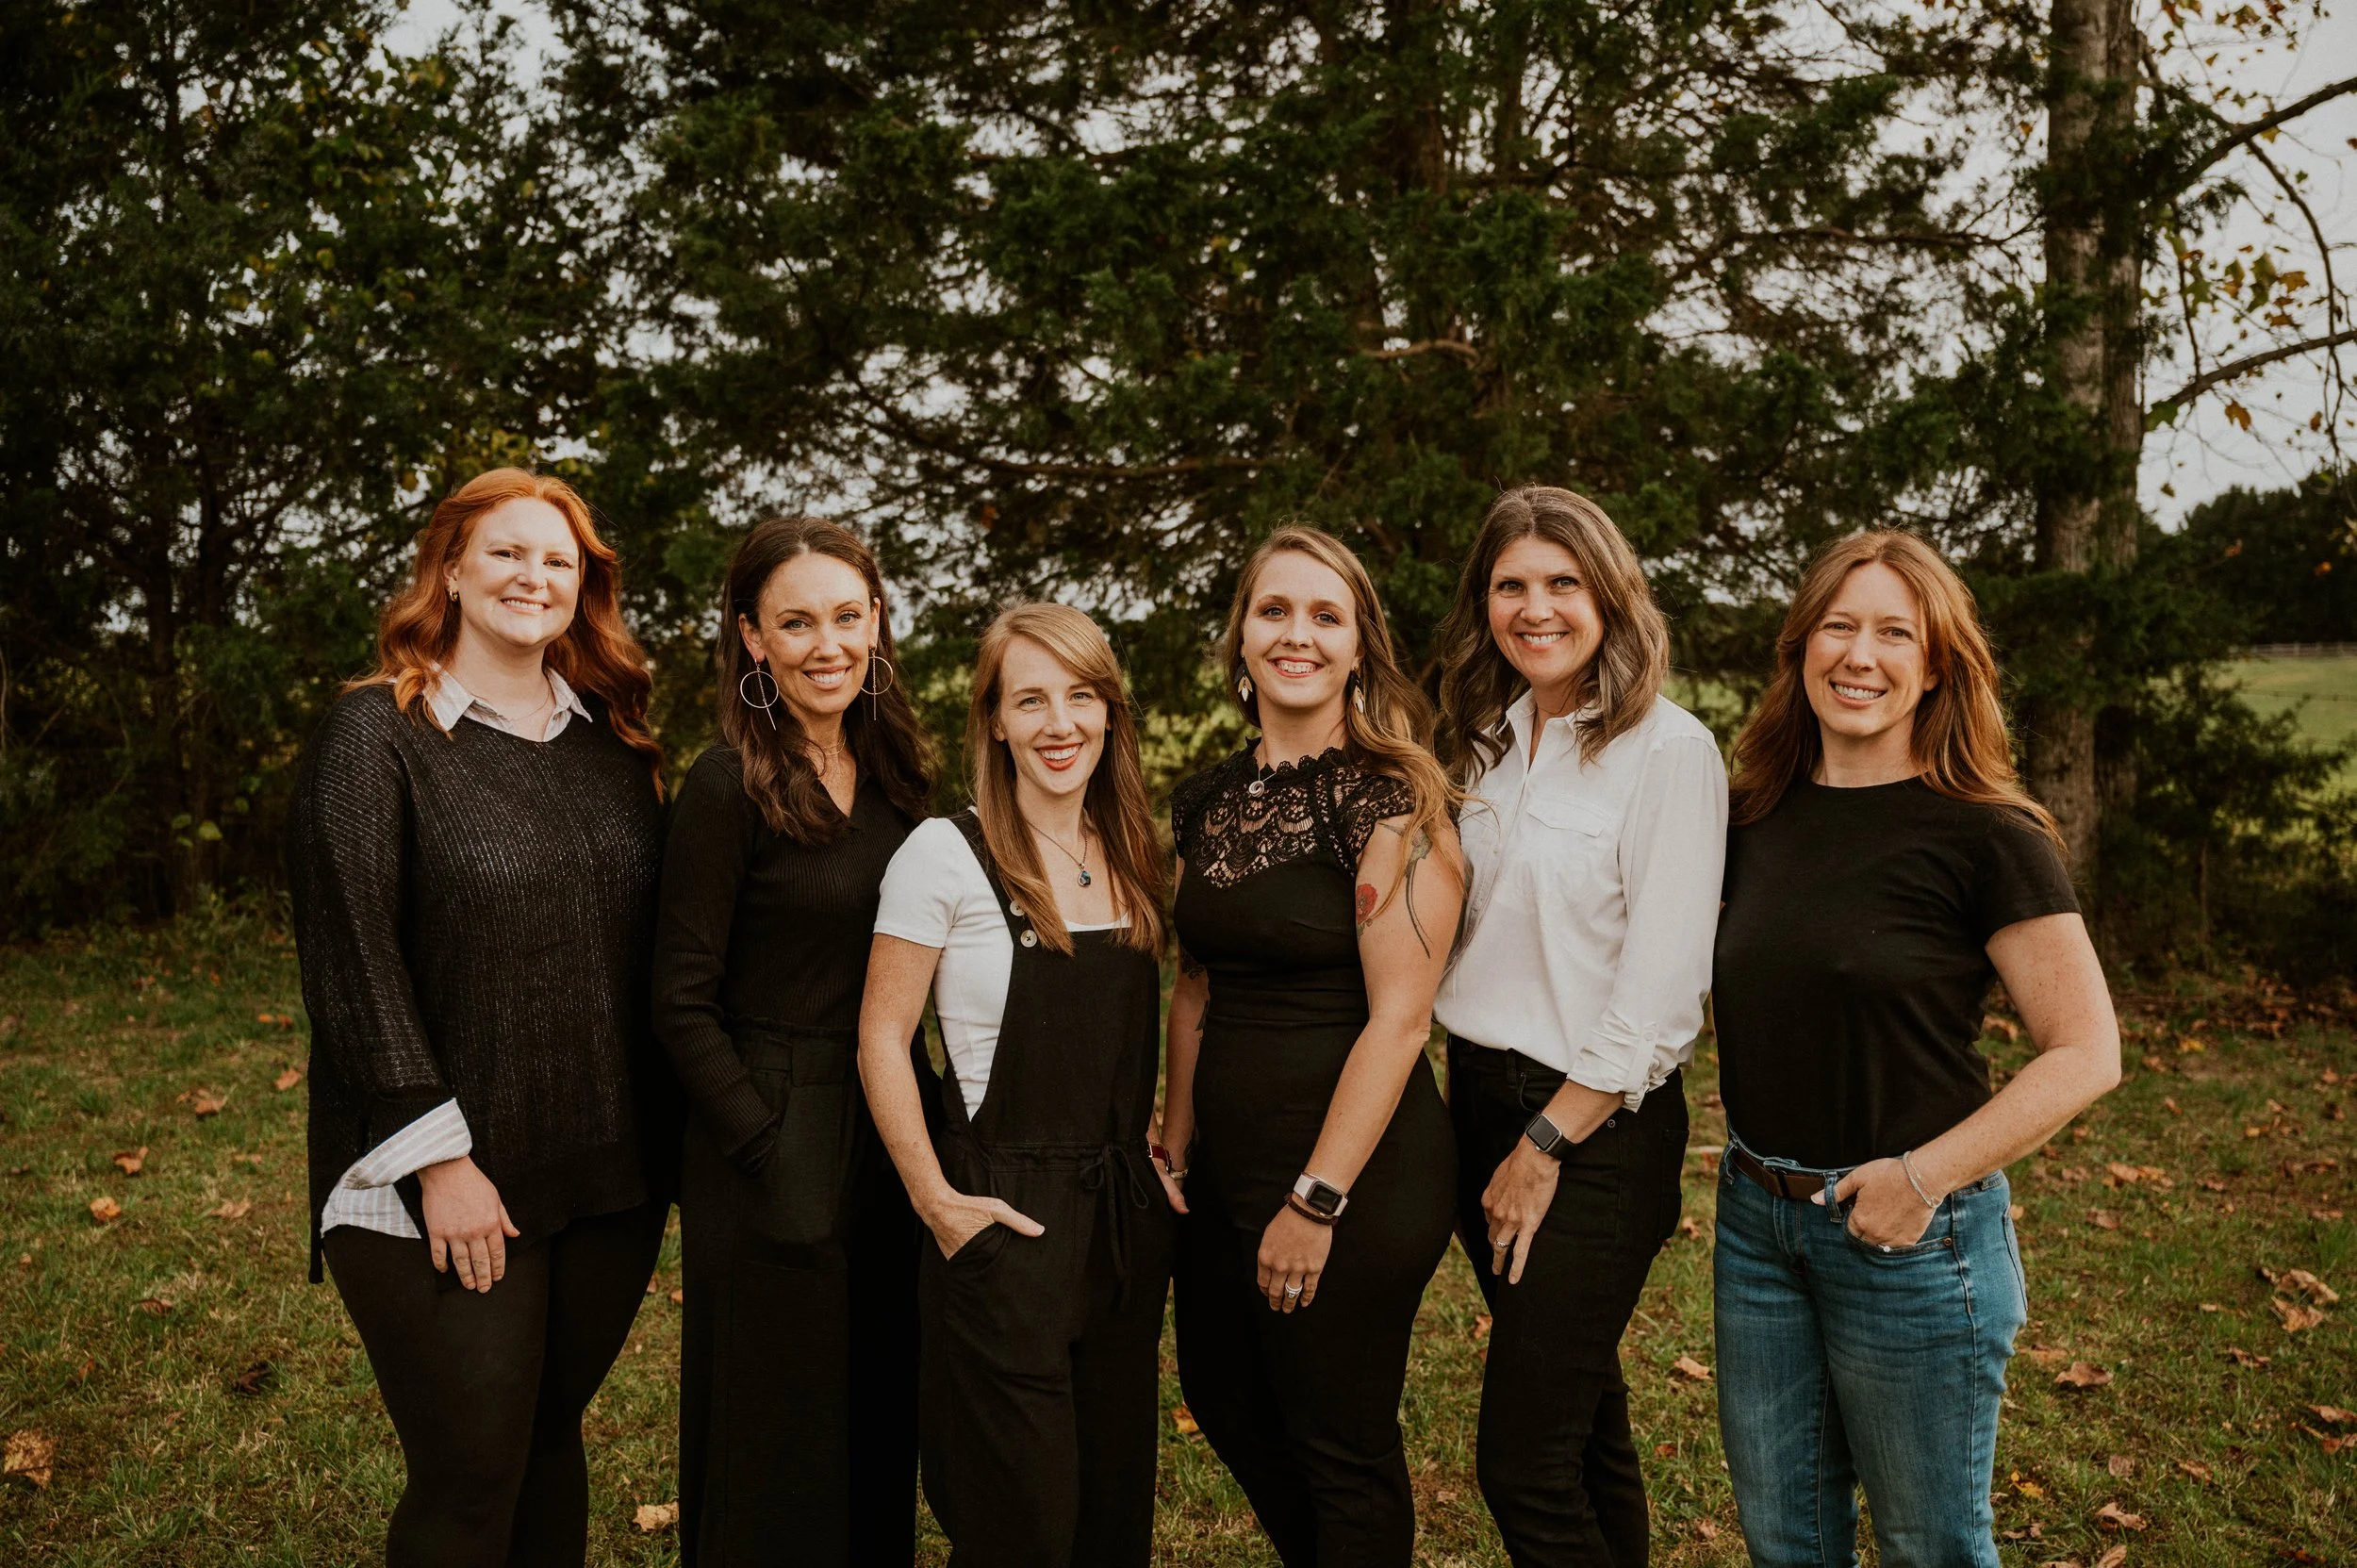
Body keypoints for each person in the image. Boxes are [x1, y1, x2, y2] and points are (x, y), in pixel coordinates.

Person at [287, 468, 675, 1568]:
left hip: (603, 1171)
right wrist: (438, 1159)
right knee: (469, 1474)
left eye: (558, 560)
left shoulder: (612, 744)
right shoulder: (377, 735)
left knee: (549, 1443)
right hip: (439, 1177)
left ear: (582, 589)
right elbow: (350, 957)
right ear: (449, 570)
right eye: (506, 552)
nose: (532, 576)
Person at [1711, 530, 2121, 1568]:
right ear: (1801, 647)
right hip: (1758, 1228)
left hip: (1910, 1238)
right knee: (1784, 1541)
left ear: (1935, 663)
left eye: (1896, 632)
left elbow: (2085, 1049)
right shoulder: (1748, 814)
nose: (1861, 655)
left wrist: (1921, 1175)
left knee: (1929, 1545)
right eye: (1838, 626)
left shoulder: (1985, 833)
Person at [1430, 487, 1726, 1568]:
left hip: (1587, 1131)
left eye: (1562, 582)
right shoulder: (1485, 743)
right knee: (1583, 1419)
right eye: (1511, 584)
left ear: (1610, 596)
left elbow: (1659, 994)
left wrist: (1545, 1142)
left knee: (1522, 1464)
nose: (1535, 606)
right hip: (1474, 1099)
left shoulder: (1666, 751)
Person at [1162, 525, 1465, 1567]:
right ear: (1241, 637)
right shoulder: (1206, 797)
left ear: (1358, 646)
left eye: (1324, 615)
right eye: (1274, 610)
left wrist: (1315, 1198)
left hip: (1355, 1173)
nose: (1296, 633)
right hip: (1223, 1164)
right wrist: (1174, 1130)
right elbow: (1196, 978)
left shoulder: (1394, 802)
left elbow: (1402, 1017)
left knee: (1338, 1437)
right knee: (1223, 1392)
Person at [858, 602, 1176, 1568]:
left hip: (1119, 1222)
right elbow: (879, 1034)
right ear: (992, 719)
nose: (1059, 723)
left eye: (1080, 696)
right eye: (1028, 699)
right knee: (1021, 1524)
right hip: (1004, 1216)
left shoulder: (1130, 851)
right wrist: (935, 1199)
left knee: (1110, 1516)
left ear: (1110, 713)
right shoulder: (943, 854)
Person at [651, 518, 937, 1567]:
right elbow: (680, 1000)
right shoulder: (727, 783)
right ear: (752, 639)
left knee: (876, 1406)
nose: (829, 644)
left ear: (877, 624)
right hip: (768, 1121)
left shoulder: (900, 777)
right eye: (797, 622)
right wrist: (767, 1147)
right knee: (774, 1434)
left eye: (847, 617)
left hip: (891, 1119)